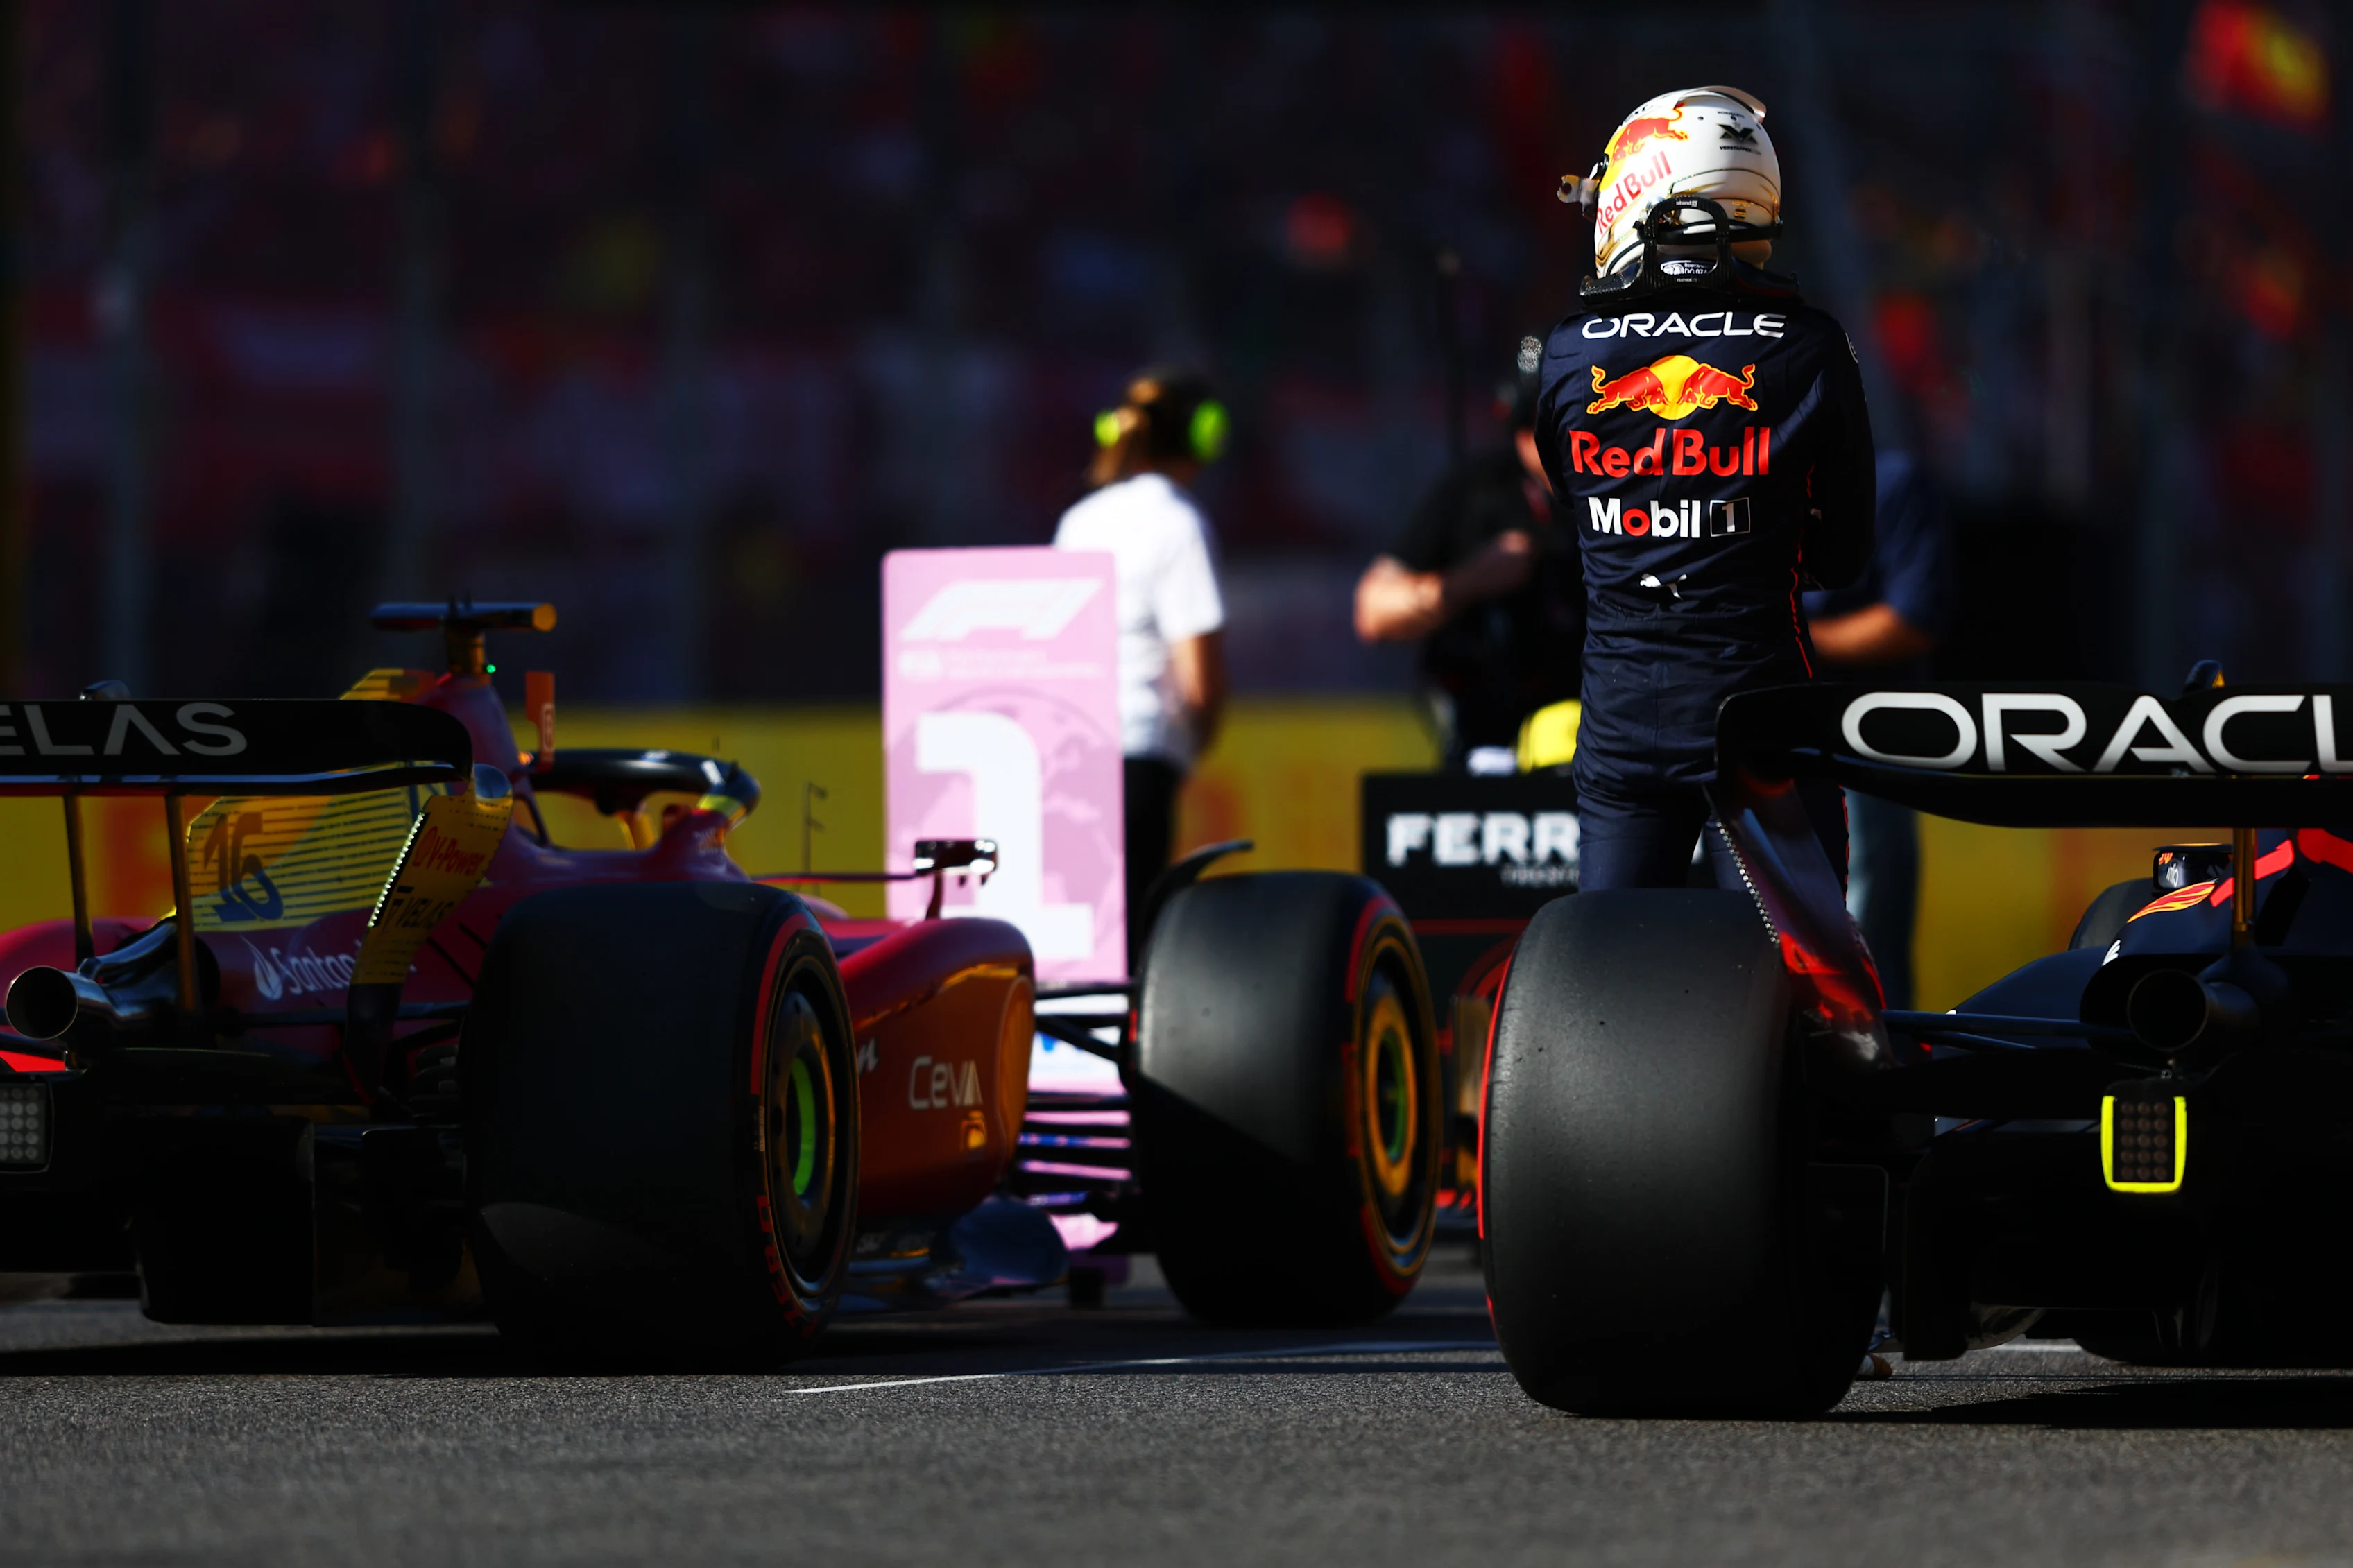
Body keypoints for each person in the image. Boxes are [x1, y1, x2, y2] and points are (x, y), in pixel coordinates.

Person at [1537, 85, 1875, 890]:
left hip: (1620, 724)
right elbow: (1845, 555)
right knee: (1800, 991)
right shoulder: (1810, 347)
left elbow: (1578, 518)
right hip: (1763, 717)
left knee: (1605, 986)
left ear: (1640, 191)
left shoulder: (1563, 353)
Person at [1052, 365, 1231, 966]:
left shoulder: (1077, 521)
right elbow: (1200, 677)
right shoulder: (1180, 525)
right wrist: (1197, 737)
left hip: (1071, 755)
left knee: (1082, 943)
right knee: (1137, 946)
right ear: (1201, 437)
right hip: (1143, 758)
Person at [1353, 338, 1585, 773]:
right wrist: (1471, 581)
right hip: (1488, 741)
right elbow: (1373, 610)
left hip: (1595, 735)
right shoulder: (1477, 491)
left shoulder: (1623, 487)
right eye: (1538, 420)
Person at [1804, 450, 1952, 1008]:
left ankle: (1883, 1083)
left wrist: (1785, 639)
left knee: (1863, 945)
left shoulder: (1892, 482)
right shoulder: (1745, 480)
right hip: (1761, 745)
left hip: (1864, 747)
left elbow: (1914, 621)